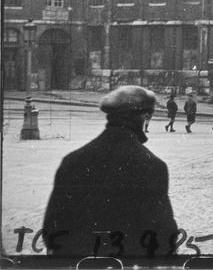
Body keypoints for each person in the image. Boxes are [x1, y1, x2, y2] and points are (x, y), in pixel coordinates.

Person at [42, 85, 179, 257]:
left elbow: (52, 229)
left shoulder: (73, 161)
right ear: (145, 115)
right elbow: (164, 235)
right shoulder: (152, 166)